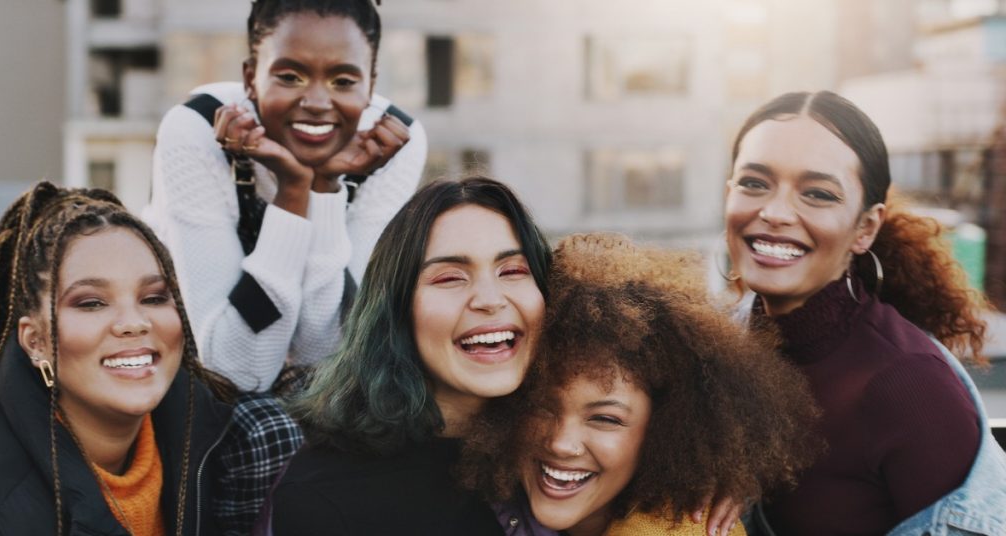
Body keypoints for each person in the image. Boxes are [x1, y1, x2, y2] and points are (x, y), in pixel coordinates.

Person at [722, 90, 1006, 535]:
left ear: (865, 228)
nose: (774, 212)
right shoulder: (722, 343)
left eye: (817, 193)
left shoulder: (910, 386)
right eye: (754, 183)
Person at [144, 0, 427, 392]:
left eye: (343, 81)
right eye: (290, 76)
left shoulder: (393, 144)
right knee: (269, 426)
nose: (315, 103)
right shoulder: (195, 131)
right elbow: (234, 369)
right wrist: (293, 192)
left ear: (371, 86)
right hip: (186, 358)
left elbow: (324, 355)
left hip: (295, 377)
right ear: (250, 78)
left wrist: (325, 185)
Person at [457, 233, 819, 536]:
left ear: (666, 431)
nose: (561, 443)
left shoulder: (688, 530)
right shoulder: (469, 499)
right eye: (540, 406)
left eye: (605, 419)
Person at [265, 177, 551, 534]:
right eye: (450, 278)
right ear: (397, 309)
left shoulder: (571, 457)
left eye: (512, 271)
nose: (490, 299)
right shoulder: (326, 498)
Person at [0, 182, 239, 535]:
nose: (135, 323)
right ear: (35, 341)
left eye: (153, 298)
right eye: (91, 303)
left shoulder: (229, 440)